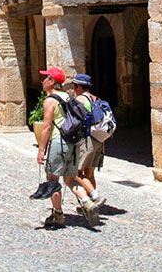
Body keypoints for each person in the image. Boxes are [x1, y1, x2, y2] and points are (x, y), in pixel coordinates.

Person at [36, 67, 99, 228]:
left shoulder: (50, 101)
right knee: (70, 179)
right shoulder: (69, 98)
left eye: (45, 78)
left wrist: (41, 149)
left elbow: (47, 127)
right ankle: (87, 202)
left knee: (52, 180)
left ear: (52, 81)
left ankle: (58, 215)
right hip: (73, 143)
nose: (42, 81)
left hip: (59, 143)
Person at [72, 73, 108, 212]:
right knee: (90, 173)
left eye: (75, 86)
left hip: (86, 141)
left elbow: (73, 121)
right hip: (98, 140)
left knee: (76, 173)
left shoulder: (80, 99)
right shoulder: (95, 98)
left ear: (80, 87)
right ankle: (90, 204)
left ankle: (94, 197)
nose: (74, 89)